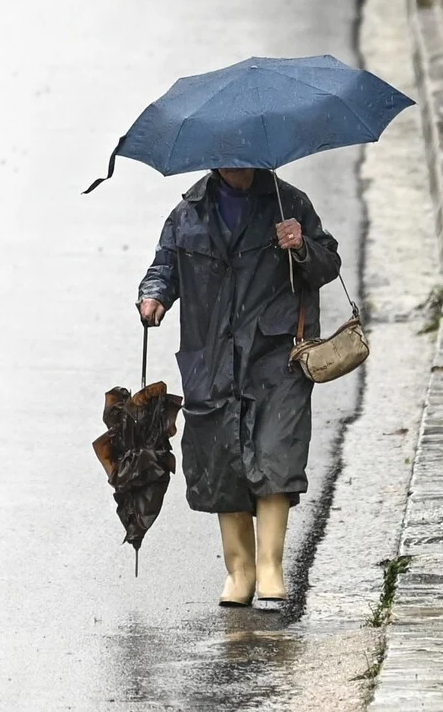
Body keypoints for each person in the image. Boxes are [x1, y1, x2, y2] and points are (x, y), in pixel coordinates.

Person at [136, 167, 341, 607]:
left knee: (275, 452)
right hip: (211, 357)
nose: (236, 167)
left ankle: (270, 567)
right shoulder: (187, 214)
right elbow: (164, 267)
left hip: (275, 354)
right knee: (222, 459)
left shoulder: (291, 203)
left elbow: (328, 264)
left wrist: (302, 245)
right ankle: (240, 570)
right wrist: (153, 296)